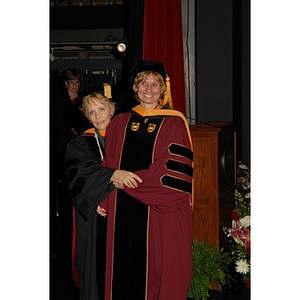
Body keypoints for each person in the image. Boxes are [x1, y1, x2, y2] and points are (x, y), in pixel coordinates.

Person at [101, 59, 194, 300]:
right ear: (135, 87)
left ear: (164, 90)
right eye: (144, 83)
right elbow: (108, 164)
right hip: (122, 208)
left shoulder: (175, 123)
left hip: (159, 211)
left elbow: (172, 173)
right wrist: (105, 197)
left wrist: (126, 181)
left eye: (155, 84)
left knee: (160, 269)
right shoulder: (119, 123)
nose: (149, 89)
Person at [64, 89, 142, 300]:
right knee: (97, 271)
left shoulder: (131, 138)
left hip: (128, 210)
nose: (98, 117)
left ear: (112, 109)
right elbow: (78, 176)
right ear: (86, 116)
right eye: (91, 112)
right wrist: (102, 190)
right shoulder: (80, 143)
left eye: (101, 109)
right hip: (96, 216)